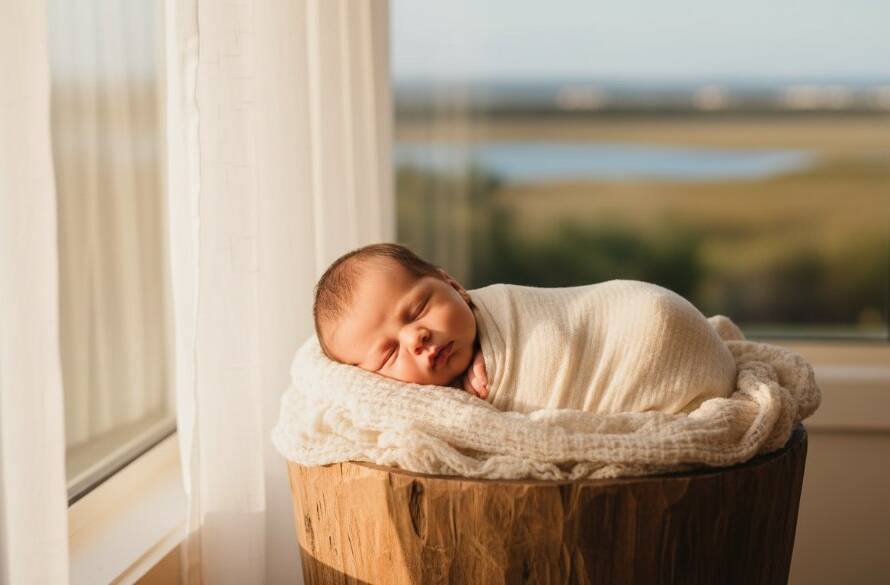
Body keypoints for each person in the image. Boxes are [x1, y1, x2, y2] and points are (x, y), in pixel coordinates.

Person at [313, 242, 737, 416]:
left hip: (648, 325)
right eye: (389, 355)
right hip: (667, 339)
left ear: (455, 285)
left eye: (419, 308)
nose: (416, 339)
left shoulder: (500, 310)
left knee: (655, 327)